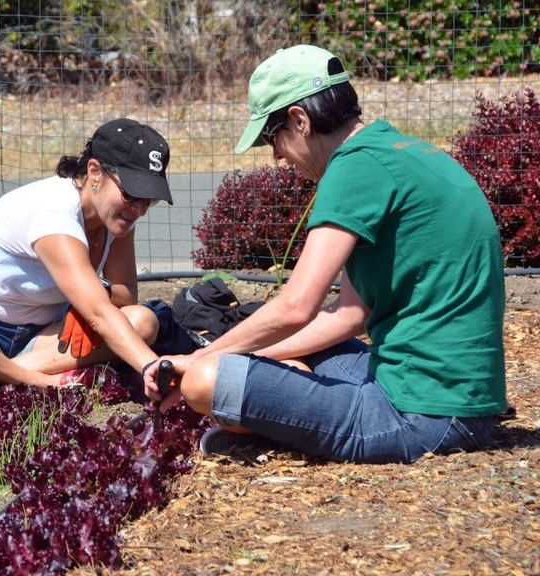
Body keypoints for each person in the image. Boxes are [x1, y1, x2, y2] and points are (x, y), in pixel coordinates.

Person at [145, 44, 507, 464]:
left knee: (205, 381)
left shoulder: (353, 168)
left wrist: (198, 359)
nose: (277, 156)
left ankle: (272, 426)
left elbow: (295, 307)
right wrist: (251, 356)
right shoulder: (400, 151)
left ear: (300, 120)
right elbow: (349, 315)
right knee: (280, 350)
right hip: (459, 401)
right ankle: (274, 416)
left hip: (421, 415)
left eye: (272, 138)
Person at [0, 118, 171, 403]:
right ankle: (37, 382)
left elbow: (125, 296)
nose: (140, 210)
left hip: (39, 338)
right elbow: (100, 313)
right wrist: (151, 366)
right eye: (131, 194)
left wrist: (96, 294)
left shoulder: (117, 217)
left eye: (149, 199)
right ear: (94, 172)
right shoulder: (55, 212)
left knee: (143, 322)